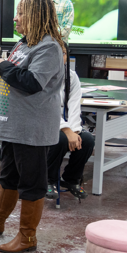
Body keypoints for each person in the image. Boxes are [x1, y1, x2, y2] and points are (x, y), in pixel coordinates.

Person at [0, 0, 65, 253]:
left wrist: (3, 68)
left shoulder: (49, 48)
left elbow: (32, 82)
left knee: (32, 183)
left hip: (32, 129)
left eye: (21, 13)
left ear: (36, 16)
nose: (16, 18)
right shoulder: (23, 45)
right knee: (9, 176)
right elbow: (12, 75)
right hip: (12, 125)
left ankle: (27, 238)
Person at [46, 61, 94, 200]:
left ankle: (71, 179)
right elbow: (49, 109)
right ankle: (49, 180)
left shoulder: (71, 76)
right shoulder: (42, 75)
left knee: (87, 140)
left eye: (64, 53)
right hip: (45, 122)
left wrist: (75, 131)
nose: (61, 57)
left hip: (66, 123)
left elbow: (74, 106)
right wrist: (67, 131)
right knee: (60, 139)